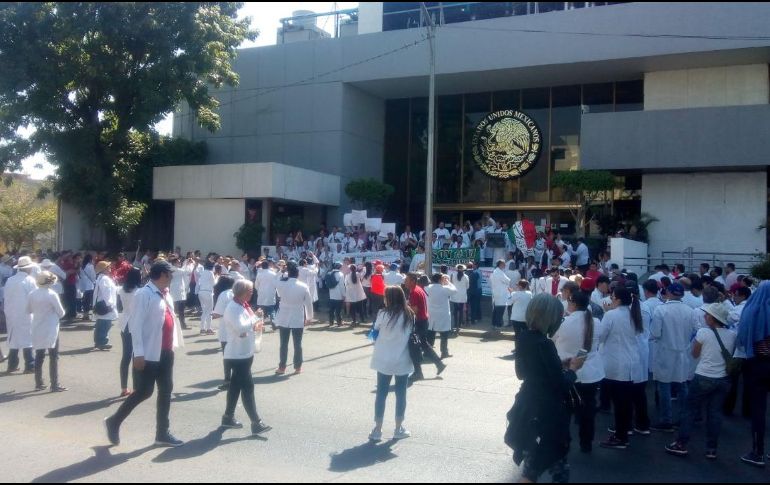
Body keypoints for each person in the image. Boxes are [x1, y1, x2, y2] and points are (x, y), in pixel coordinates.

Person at [105, 261, 185, 447]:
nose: (172, 277)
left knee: (166, 391)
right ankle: (114, 421)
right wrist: (138, 353)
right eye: (170, 274)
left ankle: (162, 433)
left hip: (165, 351)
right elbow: (135, 325)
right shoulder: (144, 294)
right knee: (144, 392)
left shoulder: (165, 294)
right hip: (148, 353)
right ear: (163, 274)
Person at [506, 294, 585, 483]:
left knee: (541, 462)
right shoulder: (545, 343)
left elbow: (523, 373)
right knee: (539, 466)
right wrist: (573, 369)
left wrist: (560, 365)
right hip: (547, 413)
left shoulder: (524, 336)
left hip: (526, 406)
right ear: (551, 317)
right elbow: (561, 385)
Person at [665, 302, 735, 460]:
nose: (705, 316)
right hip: (723, 378)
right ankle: (711, 448)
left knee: (690, 410)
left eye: (708, 315)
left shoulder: (703, 332)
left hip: (703, 375)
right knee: (715, 413)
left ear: (713, 318)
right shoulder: (732, 335)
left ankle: (681, 443)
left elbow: (695, 354)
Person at [552, 291, 606, 453]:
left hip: (569, 371)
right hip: (591, 372)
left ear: (573, 304)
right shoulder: (596, 321)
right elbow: (599, 342)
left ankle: (564, 441)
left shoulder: (565, 323)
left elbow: (554, 339)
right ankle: (586, 442)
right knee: (588, 410)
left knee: (564, 410)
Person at [220, 280, 272, 435]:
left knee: (235, 387)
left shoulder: (243, 305)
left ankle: (228, 417)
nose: (252, 292)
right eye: (250, 290)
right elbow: (241, 327)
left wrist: (257, 317)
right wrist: (253, 319)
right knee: (248, 387)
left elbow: (250, 324)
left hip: (245, 351)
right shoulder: (233, 308)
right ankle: (256, 422)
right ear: (242, 291)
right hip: (237, 354)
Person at [598, 286, 644, 450]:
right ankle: (623, 433)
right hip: (631, 363)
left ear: (617, 299)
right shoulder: (634, 314)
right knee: (625, 402)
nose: (610, 299)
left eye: (612, 297)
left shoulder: (611, 315)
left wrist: (606, 313)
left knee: (619, 403)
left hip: (616, 364)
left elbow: (601, 336)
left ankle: (621, 436)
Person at [368, 286, 415, 442]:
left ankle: (377, 429)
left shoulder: (382, 314)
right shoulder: (409, 314)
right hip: (402, 358)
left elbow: (375, 331)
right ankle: (398, 428)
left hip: (383, 359)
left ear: (388, 299)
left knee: (381, 393)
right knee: (401, 394)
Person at [650, 283, 698, 433]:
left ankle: (666, 419)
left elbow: (655, 333)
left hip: (665, 351)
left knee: (664, 386)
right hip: (683, 352)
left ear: (669, 293)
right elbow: (697, 331)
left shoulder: (661, 310)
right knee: (682, 385)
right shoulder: (690, 311)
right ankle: (684, 417)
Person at [736, 281, 770, 467]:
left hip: (757, 364)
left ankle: (758, 452)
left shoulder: (751, 311)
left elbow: (741, 338)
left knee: (758, 409)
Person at [28, 271, 67, 392]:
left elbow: (28, 310)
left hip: (37, 326)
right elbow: (61, 313)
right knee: (53, 356)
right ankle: (54, 384)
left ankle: (38, 382)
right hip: (50, 327)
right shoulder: (51, 294)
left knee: (39, 355)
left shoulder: (32, 293)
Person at [405, 273, 446, 381]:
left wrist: (404, 308)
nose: (405, 282)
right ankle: (438, 364)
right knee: (423, 345)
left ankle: (418, 372)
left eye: (407, 280)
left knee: (414, 347)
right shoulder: (418, 289)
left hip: (419, 322)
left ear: (413, 281)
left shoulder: (414, 291)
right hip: (423, 321)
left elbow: (414, 310)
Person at [274, 262, 313, 375]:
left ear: (288, 274)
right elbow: (308, 304)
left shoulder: (281, 284)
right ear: (298, 275)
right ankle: (298, 367)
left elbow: (276, 282)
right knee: (297, 344)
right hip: (297, 315)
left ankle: (282, 367)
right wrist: (309, 317)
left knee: (283, 344)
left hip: (284, 316)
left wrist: (282, 272)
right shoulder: (303, 286)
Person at [5, 256, 38, 373]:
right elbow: (34, 298)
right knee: (27, 339)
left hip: (11, 312)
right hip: (26, 313)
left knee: (14, 338)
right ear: (29, 268)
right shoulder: (30, 281)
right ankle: (30, 364)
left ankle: (12, 364)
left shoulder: (10, 280)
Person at [117, 268, 142, 397]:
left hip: (125, 322)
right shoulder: (139, 292)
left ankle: (123, 387)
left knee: (125, 356)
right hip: (135, 324)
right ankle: (136, 386)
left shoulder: (122, 289)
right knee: (136, 355)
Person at [211, 275, 235, 391]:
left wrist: (213, 314)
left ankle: (228, 380)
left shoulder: (224, 294)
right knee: (237, 354)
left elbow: (218, 313)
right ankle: (238, 378)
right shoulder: (236, 293)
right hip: (237, 328)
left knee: (227, 356)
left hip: (226, 329)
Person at [426, 273, 457, 359]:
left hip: (432, 314)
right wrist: (448, 282)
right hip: (443, 315)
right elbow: (455, 290)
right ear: (440, 280)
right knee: (444, 335)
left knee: (431, 334)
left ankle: (428, 352)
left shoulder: (428, 288)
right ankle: (444, 352)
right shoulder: (445, 289)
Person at [93, 260, 118, 351]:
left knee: (100, 323)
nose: (109, 268)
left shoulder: (101, 278)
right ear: (103, 269)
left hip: (101, 303)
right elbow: (106, 292)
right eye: (108, 267)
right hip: (105, 304)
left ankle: (98, 342)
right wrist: (109, 304)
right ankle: (102, 342)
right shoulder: (105, 279)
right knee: (105, 324)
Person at [256, 260, 279, 329]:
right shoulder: (273, 274)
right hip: (270, 294)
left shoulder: (259, 274)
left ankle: (261, 326)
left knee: (261, 311)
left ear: (262, 266)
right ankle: (274, 323)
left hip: (261, 294)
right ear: (268, 266)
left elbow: (256, 285)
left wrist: (259, 290)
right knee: (271, 309)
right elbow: (276, 284)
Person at [169, 257, 190, 330]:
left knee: (181, 310)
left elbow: (185, 272)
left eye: (180, 262)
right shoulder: (174, 269)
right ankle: (174, 324)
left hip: (180, 292)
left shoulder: (177, 269)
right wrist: (186, 263)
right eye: (178, 262)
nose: (179, 263)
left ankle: (182, 325)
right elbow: (186, 271)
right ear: (174, 263)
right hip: (175, 292)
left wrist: (185, 263)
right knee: (174, 310)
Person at [491, 260, 512, 333]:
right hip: (501, 294)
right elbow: (508, 280)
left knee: (496, 310)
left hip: (497, 293)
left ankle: (494, 324)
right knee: (500, 310)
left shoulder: (495, 271)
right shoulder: (499, 272)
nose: (505, 265)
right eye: (504, 264)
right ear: (500, 264)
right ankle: (498, 325)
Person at [196, 261, 216, 335]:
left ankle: (202, 328)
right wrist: (217, 277)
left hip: (201, 292)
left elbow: (199, 282)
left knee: (204, 310)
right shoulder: (210, 273)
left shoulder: (203, 272)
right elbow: (214, 283)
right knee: (210, 311)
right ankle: (208, 328)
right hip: (208, 292)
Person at [450, 264, 469, 332]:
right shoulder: (466, 276)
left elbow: (451, 284)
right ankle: (460, 324)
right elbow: (467, 286)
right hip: (462, 296)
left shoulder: (452, 275)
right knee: (461, 311)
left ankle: (455, 324)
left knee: (455, 311)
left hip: (454, 296)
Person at [326, 262, 345, 327]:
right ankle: (339, 322)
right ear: (339, 267)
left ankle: (331, 322)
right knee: (338, 310)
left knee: (331, 310)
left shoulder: (329, 273)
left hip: (331, 295)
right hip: (339, 295)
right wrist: (344, 295)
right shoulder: (340, 274)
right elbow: (342, 286)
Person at [79, 254, 97, 322]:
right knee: (90, 301)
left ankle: (85, 314)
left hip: (84, 285)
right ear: (90, 259)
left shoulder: (82, 267)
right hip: (90, 285)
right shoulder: (90, 266)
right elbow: (93, 276)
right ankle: (89, 315)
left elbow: (81, 275)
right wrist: (94, 281)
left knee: (85, 300)